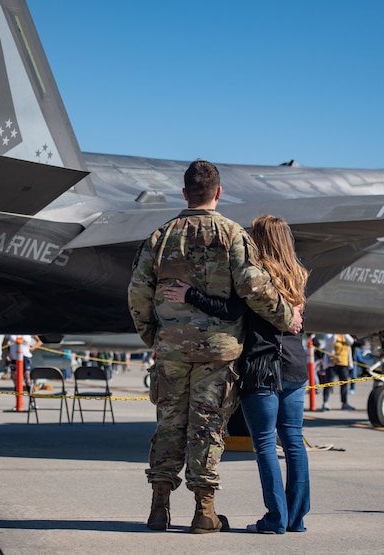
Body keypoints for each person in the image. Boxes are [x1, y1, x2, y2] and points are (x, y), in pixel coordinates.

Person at [128, 160, 300, 534]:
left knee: (169, 424)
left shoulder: (160, 237)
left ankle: (159, 509)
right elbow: (255, 288)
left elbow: (137, 294)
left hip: (172, 349)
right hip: (218, 352)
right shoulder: (234, 235)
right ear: (218, 193)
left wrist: (154, 335)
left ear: (185, 193)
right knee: (207, 428)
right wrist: (288, 318)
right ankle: (203, 513)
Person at [163, 213, 311, 534]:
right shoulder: (297, 273)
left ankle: (276, 518)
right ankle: (296, 518)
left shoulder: (255, 274)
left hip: (262, 366)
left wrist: (189, 294)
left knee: (265, 444)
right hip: (296, 365)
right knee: (294, 442)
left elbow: (230, 310)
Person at [321, 333, 355, 411]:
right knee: (329, 383)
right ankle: (325, 403)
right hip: (332, 363)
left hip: (344, 363)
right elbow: (331, 341)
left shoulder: (345, 336)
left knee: (344, 384)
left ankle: (344, 403)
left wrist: (344, 333)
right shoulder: (329, 335)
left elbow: (351, 341)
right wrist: (335, 332)